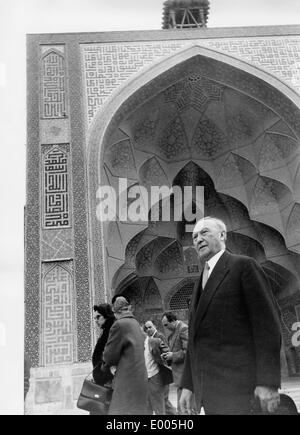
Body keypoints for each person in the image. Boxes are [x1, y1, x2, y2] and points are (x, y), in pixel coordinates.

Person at [179, 217, 282, 415]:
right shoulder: (200, 281)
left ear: (222, 235)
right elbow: (195, 339)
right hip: (210, 392)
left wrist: (267, 381)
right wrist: (188, 385)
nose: (198, 239)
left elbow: (267, 326)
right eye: (194, 237)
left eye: (204, 232)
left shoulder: (243, 266)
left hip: (241, 390)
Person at [102, 296, 148, 415]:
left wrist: (105, 367)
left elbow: (109, 356)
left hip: (126, 381)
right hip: (140, 378)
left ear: (116, 312)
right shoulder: (135, 323)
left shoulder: (119, 324)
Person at [144, 321, 176, 415]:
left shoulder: (159, 337)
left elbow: (166, 351)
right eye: (147, 328)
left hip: (160, 374)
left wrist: (164, 359)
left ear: (155, 326)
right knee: (163, 402)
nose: (149, 329)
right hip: (152, 377)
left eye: (150, 327)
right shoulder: (149, 339)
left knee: (164, 402)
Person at [161, 311, 188, 413]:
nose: (165, 327)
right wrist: (168, 356)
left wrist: (173, 355)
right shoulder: (174, 332)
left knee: (186, 408)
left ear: (172, 321)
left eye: (166, 325)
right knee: (182, 408)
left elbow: (188, 352)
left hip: (184, 375)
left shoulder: (183, 328)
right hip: (179, 377)